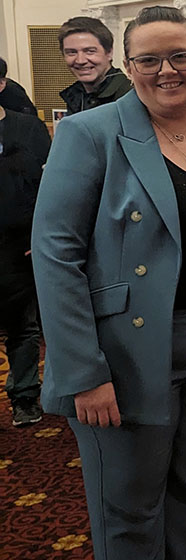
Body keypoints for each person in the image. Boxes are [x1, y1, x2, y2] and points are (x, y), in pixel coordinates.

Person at [31, 7, 186, 560]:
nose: (166, 71)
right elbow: (55, 255)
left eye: (180, 56)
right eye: (148, 60)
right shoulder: (90, 133)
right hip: (122, 356)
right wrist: (81, 371)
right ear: (128, 67)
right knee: (128, 511)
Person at [0, 86, 50, 427]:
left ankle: (25, 396)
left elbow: (50, 184)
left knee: (23, 325)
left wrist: (41, 234)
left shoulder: (29, 129)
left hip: (20, 243)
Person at [58, 16, 132, 115]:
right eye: (71, 52)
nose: (80, 60)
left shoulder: (130, 97)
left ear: (109, 53)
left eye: (90, 51)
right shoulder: (75, 97)